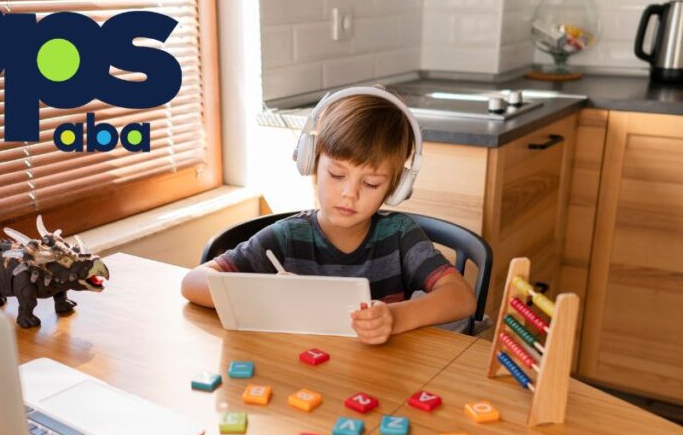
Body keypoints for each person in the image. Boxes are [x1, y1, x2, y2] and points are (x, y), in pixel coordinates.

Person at [181, 87, 476, 344]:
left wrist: (396, 317)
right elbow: (193, 281)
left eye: (371, 183)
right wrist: (267, 295)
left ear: (396, 188)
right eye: (336, 174)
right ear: (312, 164)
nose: (350, 193)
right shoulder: (287, 237)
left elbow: (461, 297)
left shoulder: (400, 236)